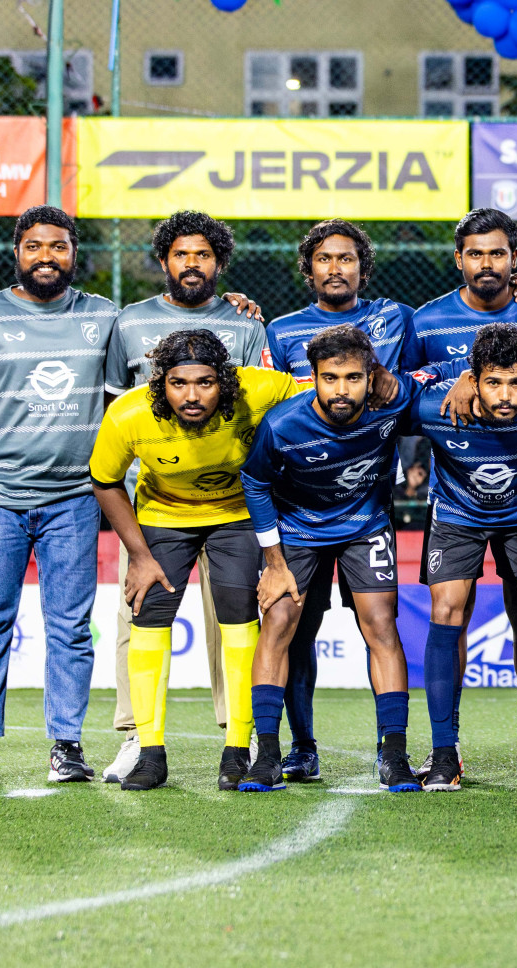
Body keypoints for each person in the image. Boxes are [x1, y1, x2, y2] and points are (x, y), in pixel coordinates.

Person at [0, 205, 119, 785]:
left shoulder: (104, 317)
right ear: (17, 252)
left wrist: (232, 304)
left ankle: (66, 745)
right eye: (35, 246)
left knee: (70, 626)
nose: (47, 256)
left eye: (59, 246)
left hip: (75, 498)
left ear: (74, 254)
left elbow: (131, 392)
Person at [90, 330, 304, 790]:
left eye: (205, 383)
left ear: (224, 382)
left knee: (239, 618)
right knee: (147, 619)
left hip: (236, 515)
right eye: (179, 384)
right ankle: (149, 754)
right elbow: (105, 482)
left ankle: (237, 748)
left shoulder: (259, 388)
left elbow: (316, 392)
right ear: (159, 384)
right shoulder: (128, 414)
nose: (192, 396)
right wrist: (140, 556)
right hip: (163, 517)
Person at [101, 210, 270, 785]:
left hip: (232, 505)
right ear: (164, 261)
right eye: (180, 254)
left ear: (219, 261)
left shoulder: (246, 323)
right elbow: (113, 414)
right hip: (154, 503)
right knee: (142, 613)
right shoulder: (129, 322)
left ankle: (239, 735)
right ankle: (137, 737)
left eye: (202, 254)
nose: (191, 264)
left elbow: (281, 400)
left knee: (235, 616)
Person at [406, 208, 517, 782]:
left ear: (514, 259)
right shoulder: (426, 323)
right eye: (476, 253)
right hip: (456, 501)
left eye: (498, 253)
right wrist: (461, 377)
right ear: (459, 260)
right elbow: (402, 388)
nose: (487, 263)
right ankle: (445, 750)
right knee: (451, 615)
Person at [262, 219, 418, 784]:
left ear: (362, 267)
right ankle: (301, 746)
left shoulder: (396, 319)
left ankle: (390, 748)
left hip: (368, 499)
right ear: (308, 270)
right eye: (324, 259)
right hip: (297, 505)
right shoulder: (280, 332)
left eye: (346, 258)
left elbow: (428, 374)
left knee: (380, 624)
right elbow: (271, 409)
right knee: (296, 631)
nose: (335, 268)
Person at [239, 325, 426, 793]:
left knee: (381, 627)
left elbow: (438, 381)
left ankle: (394, 755)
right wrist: (275, 563)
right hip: (299, 530)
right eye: (330, 378)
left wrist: (459, 380)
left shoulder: (393, 404)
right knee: (281, 622)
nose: (341, 390)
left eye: (353, 378)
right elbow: (255, 483)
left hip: (365, 526)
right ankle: (271, 754)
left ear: (372, 375)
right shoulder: (283, 424)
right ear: (313, 377)